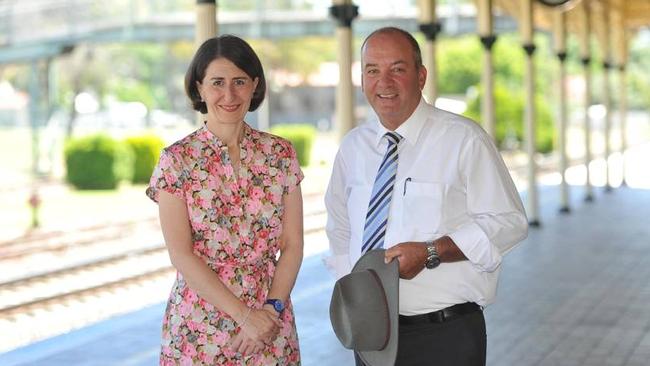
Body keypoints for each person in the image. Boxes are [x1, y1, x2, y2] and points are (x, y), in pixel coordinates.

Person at [325, 27, 528, 366]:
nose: (384, 82)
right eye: (372, 70)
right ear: (362, 79)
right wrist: (359, 294)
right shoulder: (353, 148)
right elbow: (340, 227)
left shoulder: (463, 139)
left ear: (421, 76)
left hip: (445, 337)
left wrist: (432, 251)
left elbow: (510, 223)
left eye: (397, 69)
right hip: (374, 337)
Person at [146, 34, 304, 365]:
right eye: (217, 82)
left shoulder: (280, 154)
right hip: (199, 326)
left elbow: (293, 244)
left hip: (270, 319)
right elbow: (182, 255)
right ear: (199, 88)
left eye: (239, 82)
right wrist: (245, 316)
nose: (229, 94)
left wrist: (270, 310)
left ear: (255, 85)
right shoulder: (177, 160)